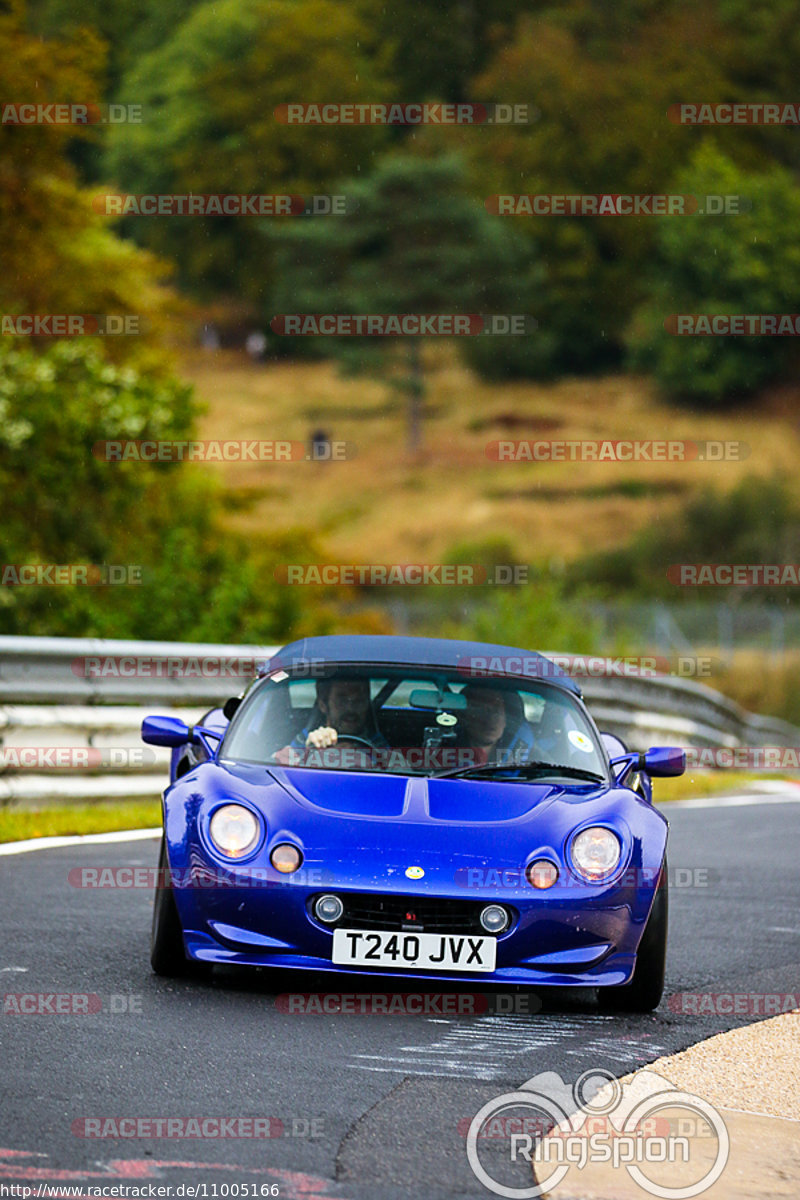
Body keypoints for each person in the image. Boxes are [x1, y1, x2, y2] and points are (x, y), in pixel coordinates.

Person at [457, 685, 536, 767]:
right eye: (482, 711)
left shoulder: (532, 760)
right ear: (464, 716)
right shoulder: (445, 749)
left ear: (506, 721)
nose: (490, 720)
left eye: (497, 712)